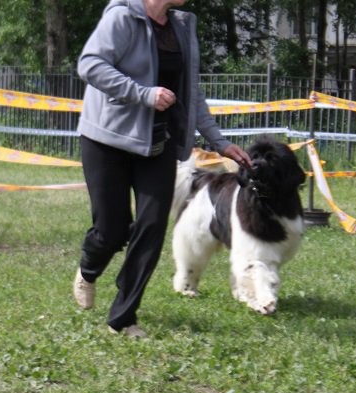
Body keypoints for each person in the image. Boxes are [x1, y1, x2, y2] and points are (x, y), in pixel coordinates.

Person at [73, 0, 252, 339]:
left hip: (157, 142)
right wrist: (143, 94)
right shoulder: (122, 17)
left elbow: (191, 94)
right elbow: (90, 65)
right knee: (112, 230)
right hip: (107, 140)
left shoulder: (182, 27)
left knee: (152, 226)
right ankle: (89, 270)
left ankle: (123, 317)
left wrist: (220, 143)